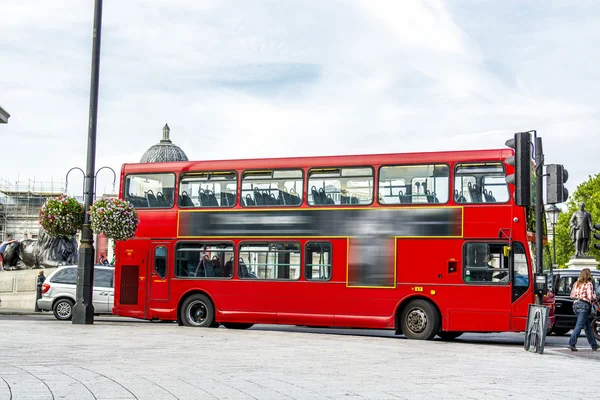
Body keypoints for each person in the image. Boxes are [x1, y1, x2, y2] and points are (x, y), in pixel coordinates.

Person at [567, 268, 598, 351]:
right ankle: (571, 343)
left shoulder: (576, 283)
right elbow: (590, 297)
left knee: (587, 326)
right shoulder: (589, 284)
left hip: (576, 305)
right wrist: (594, 297)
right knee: (579, 325)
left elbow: (571, 295)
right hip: (584, 306)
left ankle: (594, 345)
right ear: (588, 275)